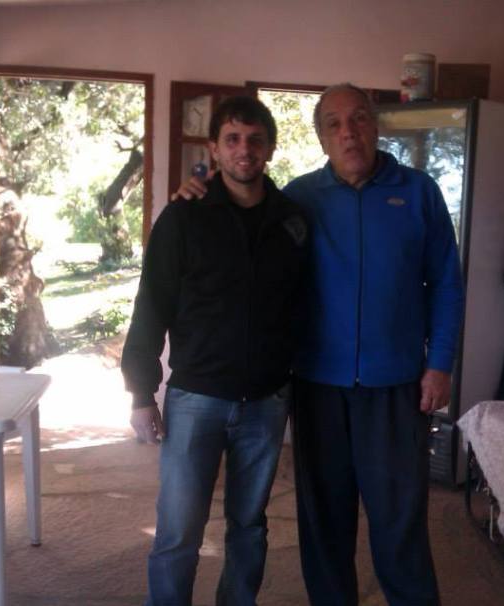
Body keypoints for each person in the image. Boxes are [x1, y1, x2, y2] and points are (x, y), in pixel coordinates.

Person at [175, 84, 463, 606]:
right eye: (333, 123)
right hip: (317, 387)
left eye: (358, 119)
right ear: (321, 137)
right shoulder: (299, 198)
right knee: (324, 519)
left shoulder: (419, 192)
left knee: (400, 518)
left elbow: (446, 282)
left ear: (376, 125)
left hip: (396, 385)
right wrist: (201, 184)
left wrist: (440, 363)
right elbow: (242, 208)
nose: (348, 132)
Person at [121, 96, 308, 606]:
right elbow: (151, 306)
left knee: (248, 526)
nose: (244, 149)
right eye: (233, 139)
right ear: (215, 149)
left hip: (266, 401)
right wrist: (141, 393)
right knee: (178, 530)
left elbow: (305, 306)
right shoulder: (183, 217)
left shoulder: (293, 221)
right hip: (195, 399)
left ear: (270, 148)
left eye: (255, 140)